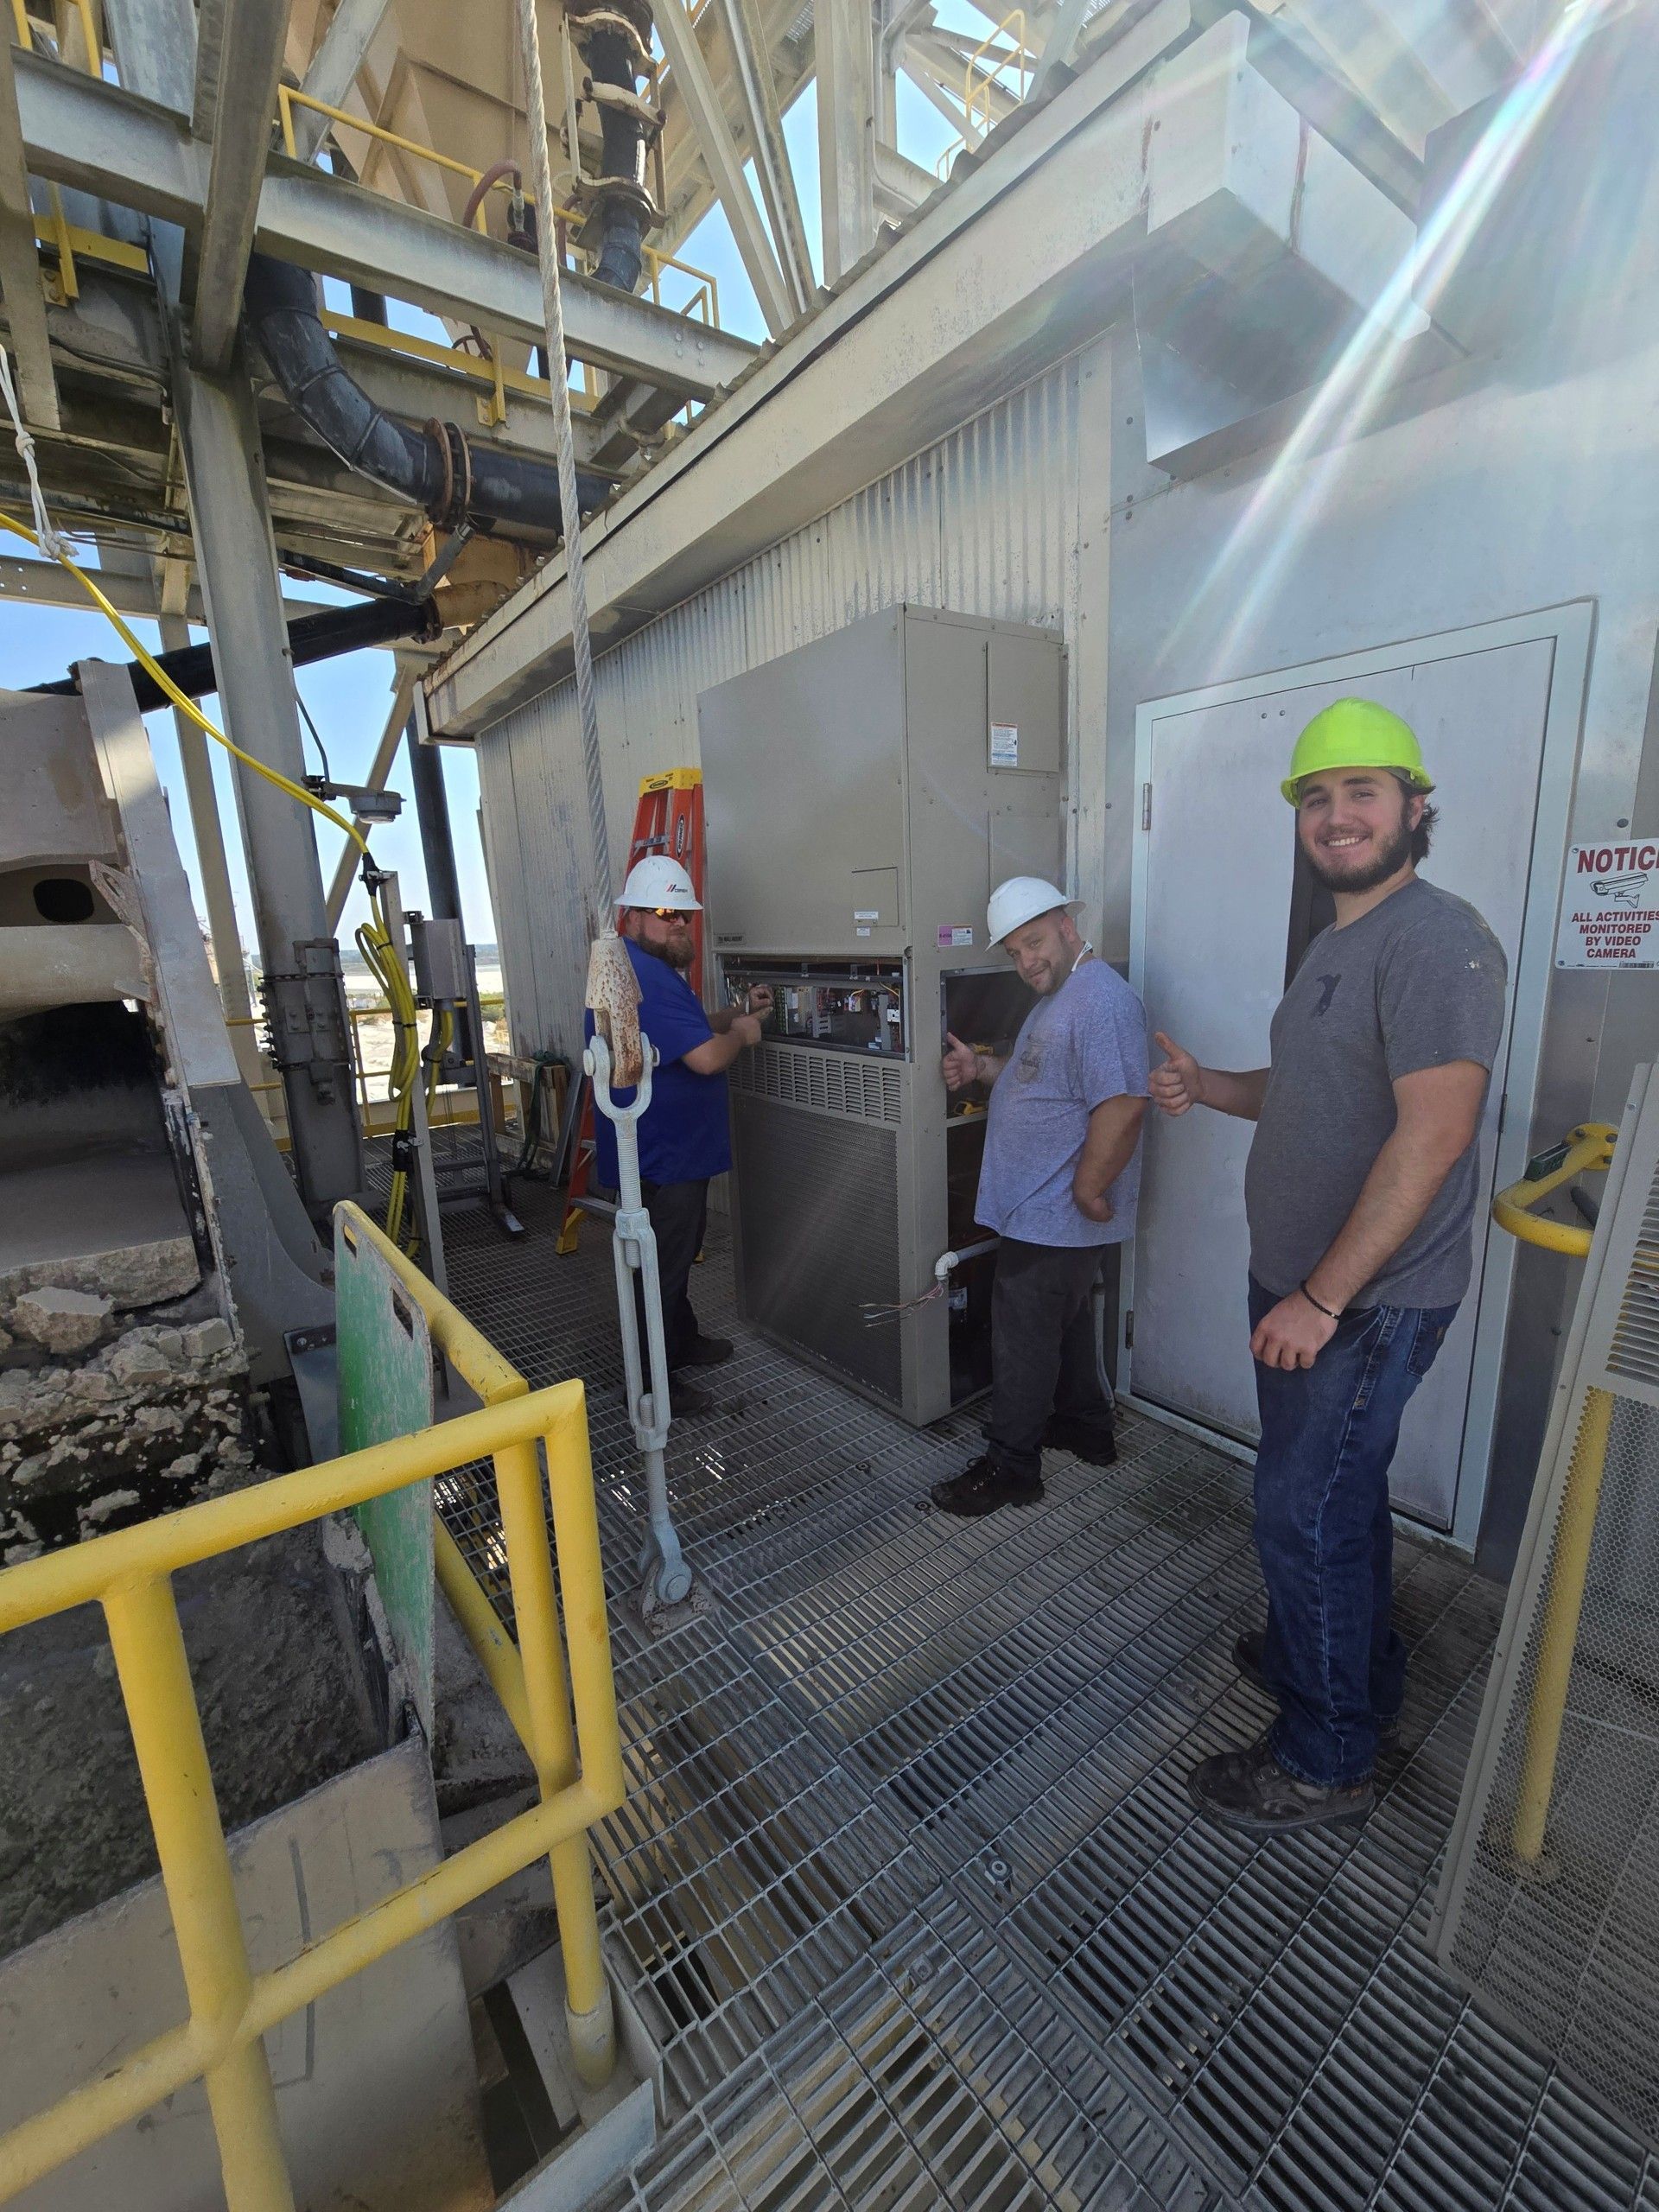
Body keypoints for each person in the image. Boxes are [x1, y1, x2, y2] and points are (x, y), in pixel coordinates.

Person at [1150, 698, 1507, 1836]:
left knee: (1301, 1514)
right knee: (1332, 1503)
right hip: (1311, 1296)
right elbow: (1303, 1094)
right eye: (1317, 797)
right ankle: (1347, 1667)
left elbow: (1435, 1134)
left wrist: (1321, 1295)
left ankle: (1325, 1756)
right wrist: (1210, 1086)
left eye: (1363, 792)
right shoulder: (1335, 947)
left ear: (1415, 808)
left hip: (1359, 1304)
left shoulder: (1437, 938)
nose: (1337, 815)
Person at [931, 876, 1148, 1516]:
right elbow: (1039, 1080)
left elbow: (1124, 1103)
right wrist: (980, 1069)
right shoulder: (1061, 997)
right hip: (1043, 1210)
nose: (1027, 961)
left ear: (1066, 925)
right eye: (1015, 952)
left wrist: (1086, 1189)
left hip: (1056, 1208)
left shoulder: (1100, 1000)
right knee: (1068, 1319)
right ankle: (1085, 1425)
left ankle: (1012, 1466)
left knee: (1023, 1334)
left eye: (1034, 942)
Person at [587, 855, 772, 1416]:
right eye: (665, 913)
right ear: (632, 917)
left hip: (662, 1155)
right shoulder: (646, 974)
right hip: (663, 1158)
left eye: (684, 915)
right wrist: (742, 1032)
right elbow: (708, 1058)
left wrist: (733, 1012)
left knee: (671, 1260)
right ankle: (651, 1386)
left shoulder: (642, 971)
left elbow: (687, 1034)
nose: (678, 924)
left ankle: (682, 1340)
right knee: (658, 1272)